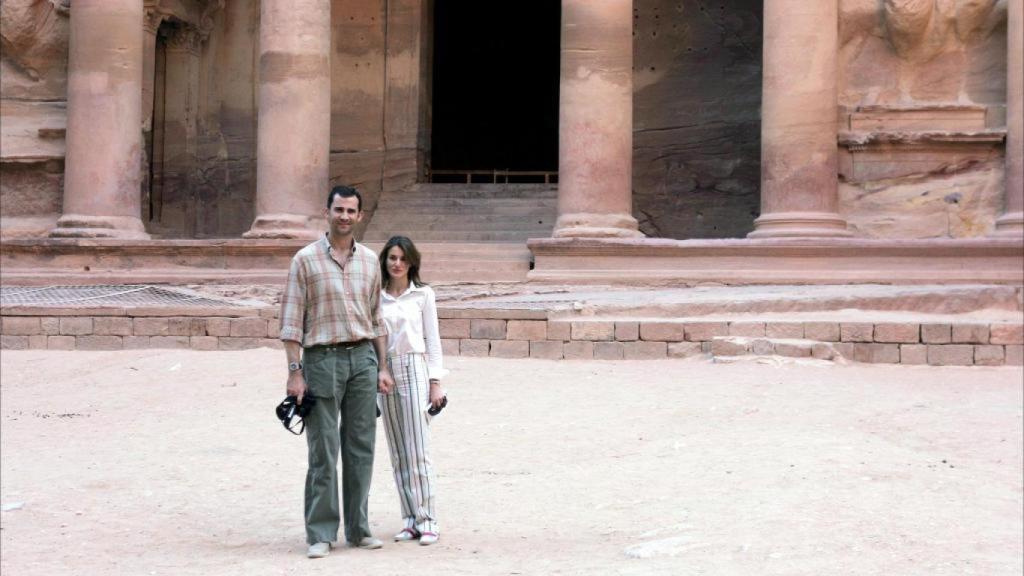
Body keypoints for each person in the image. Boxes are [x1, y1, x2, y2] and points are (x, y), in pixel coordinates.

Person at [279, 185, 396, 559]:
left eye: (351, 211)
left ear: (360, 216)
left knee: (361, 447)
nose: (345, 216)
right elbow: (292, 321)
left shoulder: (369, 261)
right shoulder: (305, 260)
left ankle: (359, 528)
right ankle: (321, 532)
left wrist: (383, 366)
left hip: (362, 358)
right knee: (323, 450)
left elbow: (376, 318)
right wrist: (295, 372)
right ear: (327, 212)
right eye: (339, 209)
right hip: (321, 358)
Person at [378, 235, 447, 546]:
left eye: (403, 258)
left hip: (416, 368)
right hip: (386, 370)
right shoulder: (376, 297)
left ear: (412, 262)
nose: (397, 263)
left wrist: (436, 383)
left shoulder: (423, 295)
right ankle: (409, 520)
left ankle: (428, 519)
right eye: (392, 257)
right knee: (397, 452)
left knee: (418, 448)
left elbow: (433, 340)